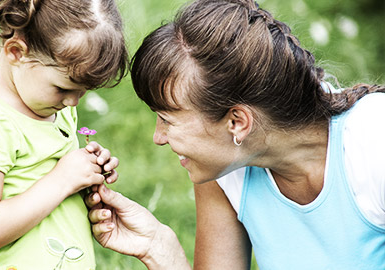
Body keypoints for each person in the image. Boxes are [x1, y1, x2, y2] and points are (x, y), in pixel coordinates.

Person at [86, 0, 385, 269]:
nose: (158, 137)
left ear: (237, 122)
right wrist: (158, 247)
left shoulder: (374, 143)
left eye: (167, 119)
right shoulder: (224, 165)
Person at [0, 0, 127, 269]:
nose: (73, 103)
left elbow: (43, 183)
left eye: (83, 91)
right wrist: (63, 179)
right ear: (16, 52)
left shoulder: (53, 106)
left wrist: (87, 174)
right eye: (62, 88)